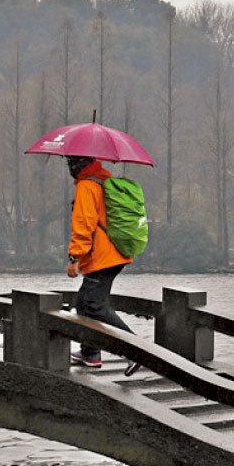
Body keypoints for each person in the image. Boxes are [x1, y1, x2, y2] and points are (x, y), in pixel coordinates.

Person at [65, 155, 135, 369]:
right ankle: (90, 353)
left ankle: (137, 351)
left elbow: (84, 224)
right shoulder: (103, 181)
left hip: (103, 256)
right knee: (84, 302)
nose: (69, 166)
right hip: (112, 253)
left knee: (95, 305)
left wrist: (74, 257)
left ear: (79, 164)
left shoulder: (87, 185)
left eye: (70, 162)